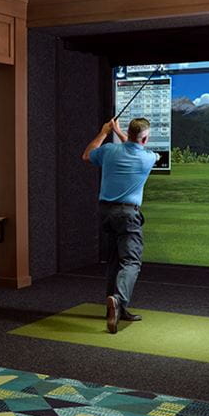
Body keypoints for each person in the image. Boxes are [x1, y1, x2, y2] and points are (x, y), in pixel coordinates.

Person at [82, 117, 160, 334]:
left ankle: (116, 309)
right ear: (145, 138)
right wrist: (121, 133)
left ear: (128, 131)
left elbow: (87, 154)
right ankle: (118, 300)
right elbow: (135, 144)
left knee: (115, 261)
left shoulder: (108, 151)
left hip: (106, 213)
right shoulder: (148, 157)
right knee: (131, 261)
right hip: (128, 215)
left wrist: (105, 131)